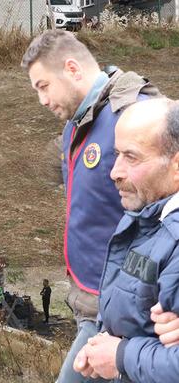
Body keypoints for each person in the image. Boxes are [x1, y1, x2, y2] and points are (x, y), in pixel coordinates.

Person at [20, 29, 166, 383]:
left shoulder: (134, 113)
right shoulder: (78, 121)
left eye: (43, 86)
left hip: (122, 305)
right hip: (89, 296)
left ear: (72, 69)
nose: (41, 99)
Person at [73, 99, 179, 382]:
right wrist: (103, 345)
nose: (114, 172)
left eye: (131, 157)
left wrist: (120, 355)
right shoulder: (143, 214)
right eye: (117, 154)